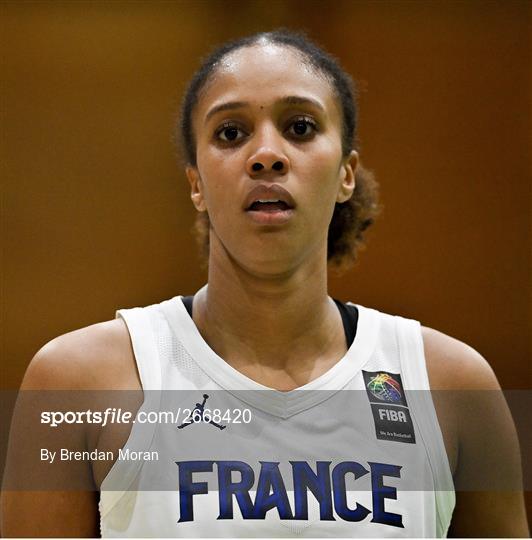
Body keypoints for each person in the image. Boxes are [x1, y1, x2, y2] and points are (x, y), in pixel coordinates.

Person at [1, 30, 528, 537]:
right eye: (231, 133)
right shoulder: (81, 382)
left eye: (300, 127)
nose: (267, 154)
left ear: (346, 174)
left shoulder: (451, 387)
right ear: (196, 185)